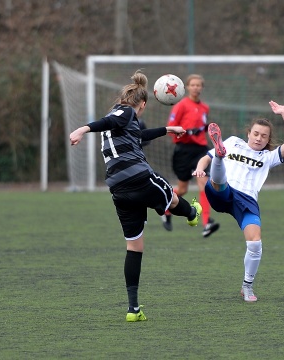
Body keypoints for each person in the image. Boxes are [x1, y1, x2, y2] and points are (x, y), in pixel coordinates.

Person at [69, 70, 203, 322]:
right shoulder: (125, 112)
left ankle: (133, 309)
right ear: (142, 104)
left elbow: (138, 136)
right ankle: (193, 213)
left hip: (118, 190)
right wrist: (82, 129)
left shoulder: (119, 119)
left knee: (134, 247)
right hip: (139, 177)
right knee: (172, 199)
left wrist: (166, 129)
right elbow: (109, 122)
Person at [193, 100, 284, 302]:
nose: (259, 138)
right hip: (224, 191)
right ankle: (220, 156)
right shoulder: (233, 141)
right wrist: (200, 168)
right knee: (219, 179)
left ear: (268, 139)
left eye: (264, 136)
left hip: (247, 200)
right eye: (256, 134)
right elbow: (204, 158)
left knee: (255, 243)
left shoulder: (268, 157)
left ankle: (247, 286)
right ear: (249, 133)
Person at [163, 74, 220, 237]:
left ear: (202, 87)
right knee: (182, 189)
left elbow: (201, 126)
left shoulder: (205, 108)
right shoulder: (181, 105)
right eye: (192, 85)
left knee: (204, 183)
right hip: (183, 151)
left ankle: (207, 223)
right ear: (187, 87)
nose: (195, 87)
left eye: (198, 85)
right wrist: (187, 132)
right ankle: (165, 207)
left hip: (200, 150)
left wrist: (203, 129)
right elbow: (171, 128)